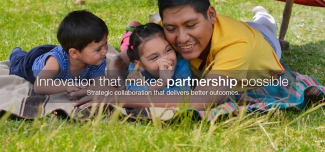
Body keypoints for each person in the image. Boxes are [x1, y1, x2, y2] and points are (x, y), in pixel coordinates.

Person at [73, 0, 285, 110]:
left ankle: (265, 18)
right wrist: (112, 83)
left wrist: (120, 98)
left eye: (191, 25)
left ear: (211, 15)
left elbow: (201, 100)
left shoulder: (239, 47)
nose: (181, 38)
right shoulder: (165, 30)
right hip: (229, 29)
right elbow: (122, 59)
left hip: (263, 41)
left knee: (263, 26)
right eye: (171, 27)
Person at [9, 10, 109, 99]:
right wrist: (67, 86)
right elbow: (39, 86)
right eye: (98, 49)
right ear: (74, 53)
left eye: (105, 44)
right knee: (17, 62)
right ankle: (16, 52)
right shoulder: (56, 61)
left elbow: (101, 86)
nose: (105, 51)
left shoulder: (97, 60)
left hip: (60, 50)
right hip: (30, 62)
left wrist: (82, 92)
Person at [125, 23, 191, 92]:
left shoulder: (181, 62)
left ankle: (133, 26)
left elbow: (184, 93)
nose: (165, 60)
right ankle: (128, 33)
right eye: (154, 57)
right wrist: (160, 83)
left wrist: (152, 88)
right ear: (140, 64)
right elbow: (132, 90)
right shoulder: (136, 67)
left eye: (168, 50)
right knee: (125, 48)